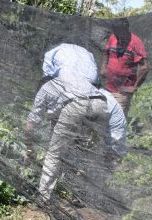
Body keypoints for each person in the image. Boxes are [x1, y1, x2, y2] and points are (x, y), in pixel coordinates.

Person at [26, 44, 126, 202]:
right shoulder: (73, 79)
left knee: (54, 154)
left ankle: (44, 197)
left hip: (77, 105)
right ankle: (83, 195)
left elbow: (31, 124)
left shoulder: (45, 88)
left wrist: (29, 148)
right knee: (90, 153)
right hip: (101, 104)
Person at [99, 18, 149, 118]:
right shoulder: (113, 37)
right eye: (115, 32)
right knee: (103, 119)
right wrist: (103, 67)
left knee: (117, 122)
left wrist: (134, 87)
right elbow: (106, 51)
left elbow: (145, 67)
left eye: (119, 32)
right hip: (107, 88)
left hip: (122, 93)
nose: (117, 35)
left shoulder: (136, 43)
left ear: (126, 29)